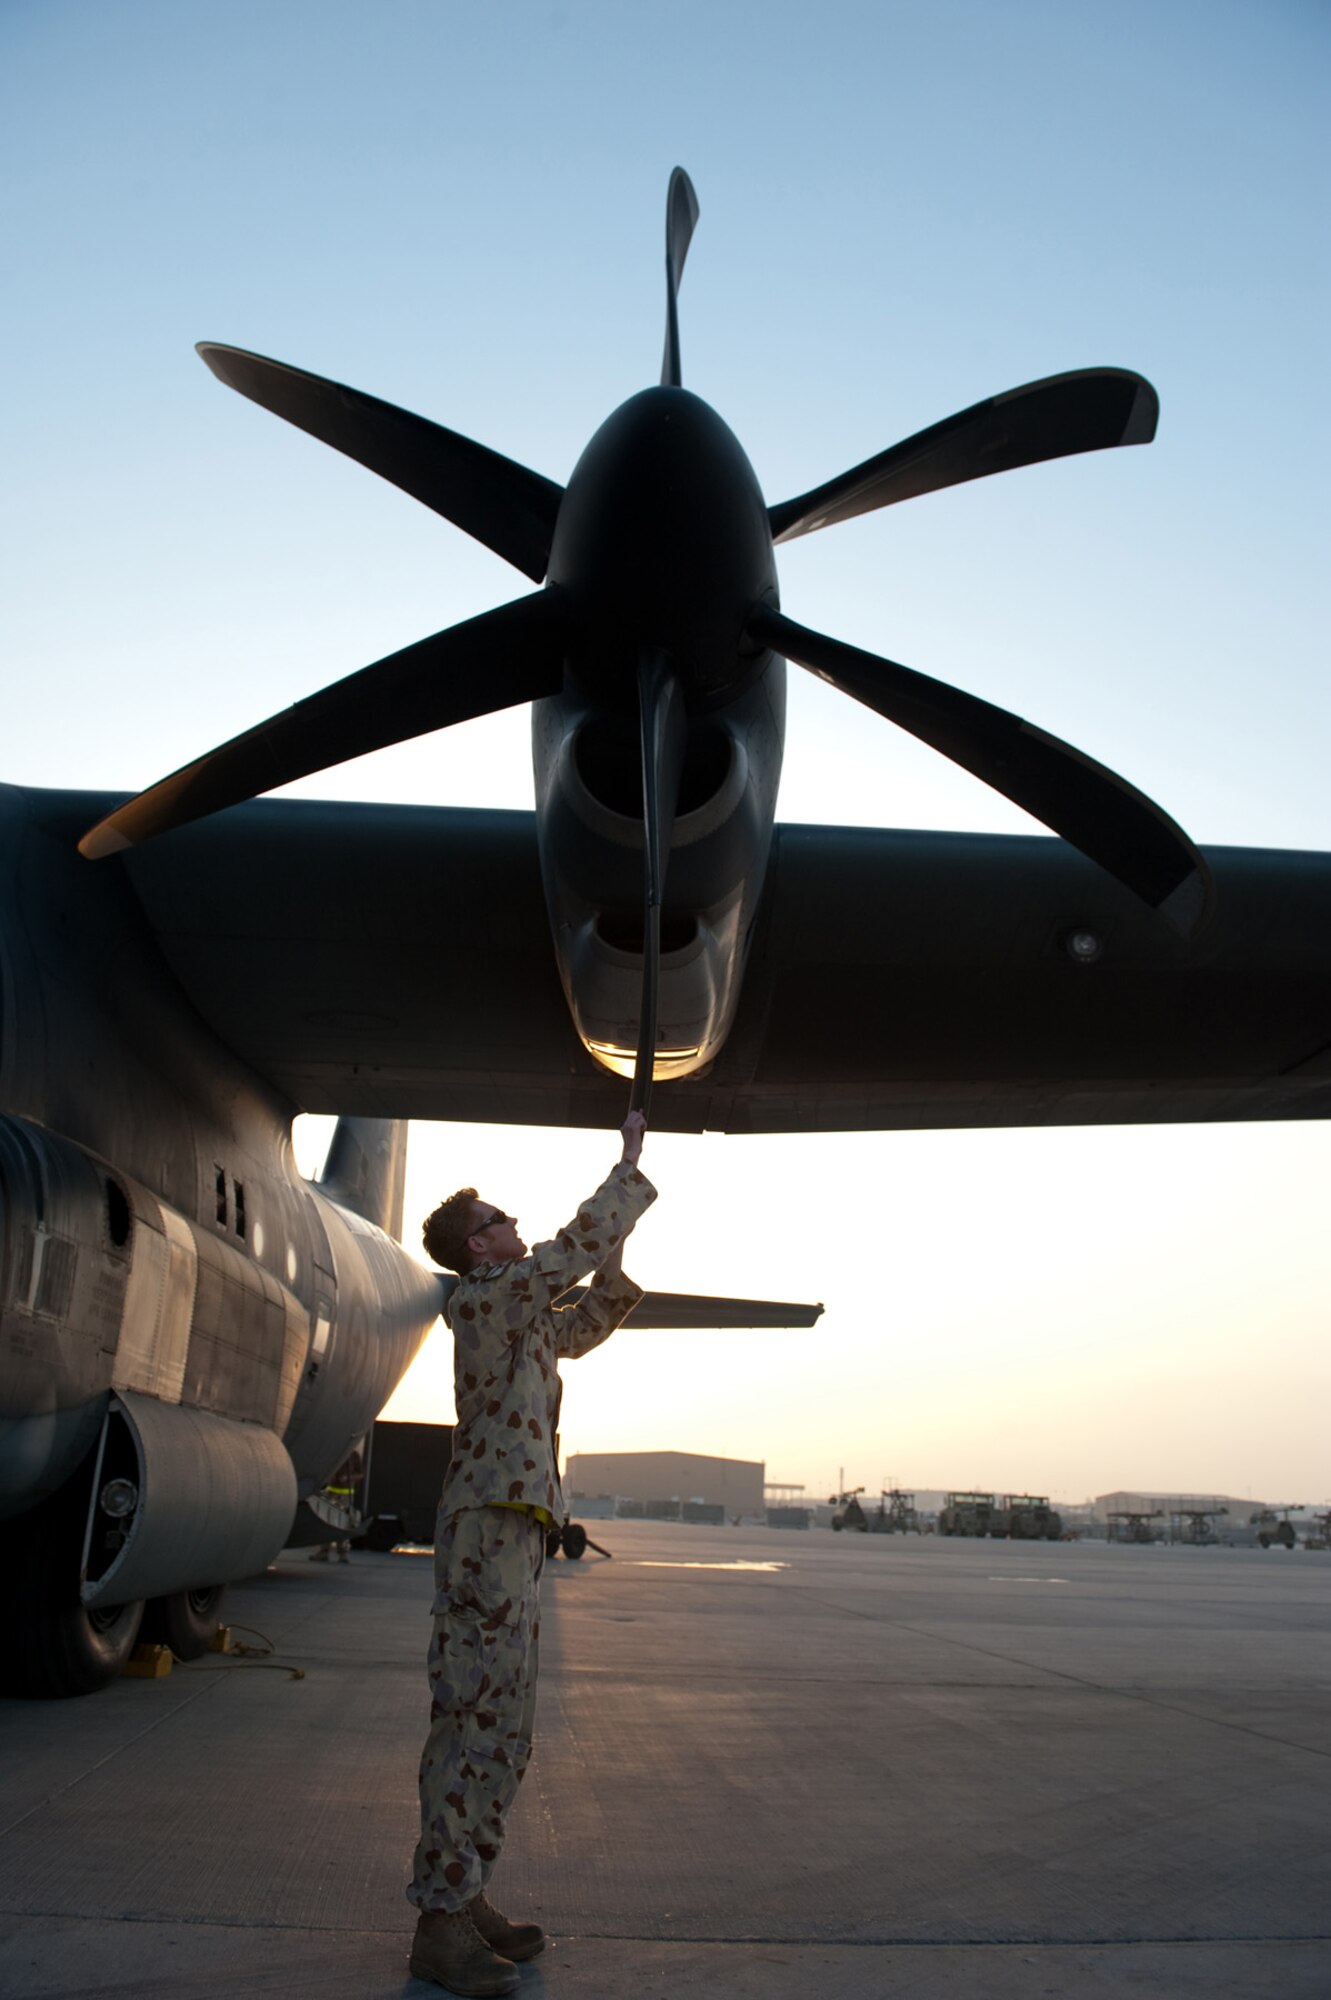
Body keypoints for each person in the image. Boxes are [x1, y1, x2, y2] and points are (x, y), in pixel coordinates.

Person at [407, 1110, 656, 1997]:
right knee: (471, 1717)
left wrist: (617, 1243)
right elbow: (569, 1251)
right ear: (475, 1249)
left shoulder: (522, 1318)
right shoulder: (483, 1299)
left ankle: (467, 1887)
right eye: (496, 1220)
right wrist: (626, 1165)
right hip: (485, 1528)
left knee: (507, 1728)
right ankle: (438, 1920)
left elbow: (587, 1319)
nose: (511, 1223)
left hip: (516, 1528)